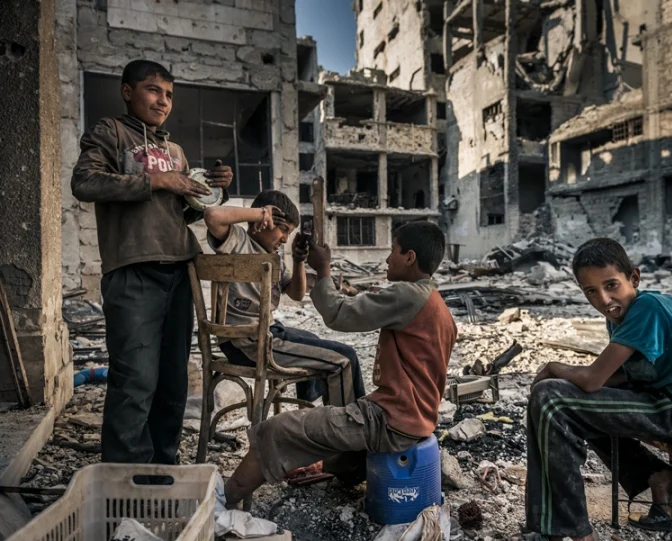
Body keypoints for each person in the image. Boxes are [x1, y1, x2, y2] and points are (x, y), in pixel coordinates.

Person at [223, 221, 457, 504]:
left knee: (277, 430)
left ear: (410, 257)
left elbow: (338, 314)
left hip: (390, 422)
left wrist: (324, 270)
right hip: (411, 419)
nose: (387, 258)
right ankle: (346, 467)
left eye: (393, 251)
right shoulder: (437, 305)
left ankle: (224, 500)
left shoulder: (409, 295)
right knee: (340, 388)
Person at [71, 60, 233, 464]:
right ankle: (124, 477)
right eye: (153, 90)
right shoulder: (111, 132)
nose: (163, 101)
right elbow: (84, 183)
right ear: (128, 91)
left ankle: (164, 469)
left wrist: (213, 192)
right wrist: (158, 180)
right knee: (135, 379)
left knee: (173, 381)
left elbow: (188, 213)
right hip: (133, 271)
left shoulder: (174, 151)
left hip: (180, 270)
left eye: (169, 95)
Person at [523, 238, 672, 541]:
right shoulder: (622, 314)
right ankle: (656, 476)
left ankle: (573, 530)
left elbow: (594, 379)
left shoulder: (647, 308)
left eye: (611, 285)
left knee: (551, 398)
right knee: (563, 398)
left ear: (634, 277)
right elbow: (618, 376)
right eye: (591, 291)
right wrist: (568, 382)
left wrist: (554, 368)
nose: (603, 299)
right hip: (662, 400)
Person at [202, 190, 365, 407]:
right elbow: (212, 215)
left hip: (263, 335)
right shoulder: (238, 240)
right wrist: (259, 214)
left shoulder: (274, 257)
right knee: (345, 357)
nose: (285, 239)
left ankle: (308, 413)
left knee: (313, 339)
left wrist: (299, 261)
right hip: (248, 342)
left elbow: (296, 293)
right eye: (283, 230)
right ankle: (348, 427)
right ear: (266, 220)